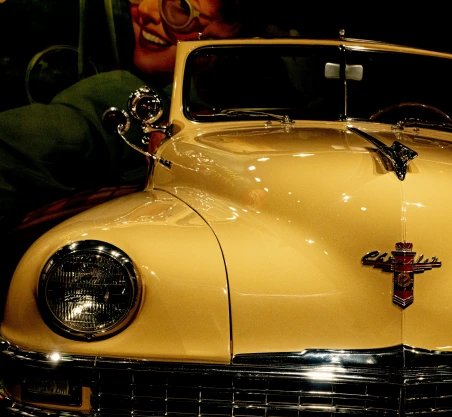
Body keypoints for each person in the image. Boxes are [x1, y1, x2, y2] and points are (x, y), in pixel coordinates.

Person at [0, 0, 279, 315]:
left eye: (177, 6)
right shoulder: (122, 96)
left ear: (230, 27)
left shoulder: (280, 103)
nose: (145, 11)